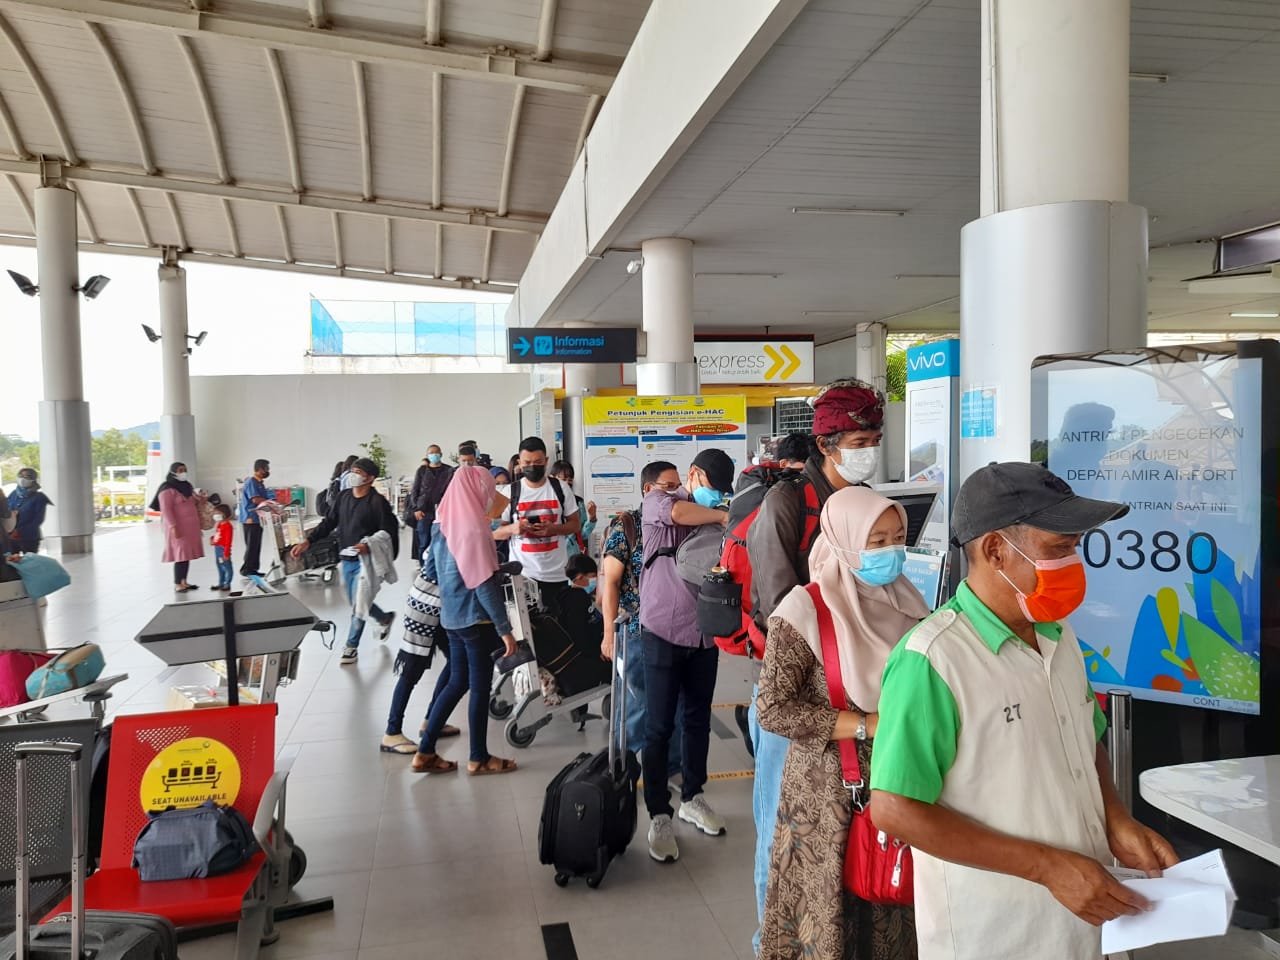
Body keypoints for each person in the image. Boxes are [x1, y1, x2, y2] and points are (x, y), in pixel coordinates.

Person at [870, 463, 1178, 960]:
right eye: (1059, 550)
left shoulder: (1060, 636)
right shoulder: (933, 660)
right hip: (999, 934)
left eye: (1075, 548)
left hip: (1088, 919)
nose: (1074, 563)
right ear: (996, 551)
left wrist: (1115, 819)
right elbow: (895, 809)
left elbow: (1084, 736)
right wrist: (1047, 868)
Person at [756, 486, 927, 960]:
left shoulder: (911, 604)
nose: (891, 552)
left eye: (897, 538)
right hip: (827, 798)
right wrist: (865, 724)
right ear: (845, 539)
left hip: (899, 782)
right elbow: (773, 708)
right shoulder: (804, 610)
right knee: (829, 916)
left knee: (891, 906)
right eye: (877, 541)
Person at [745, 380, 885, 946]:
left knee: (837, 833)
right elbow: (782, 609)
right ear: (826, 444)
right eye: (858, 439)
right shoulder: (786, 503)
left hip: (853, 696)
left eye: (875, 437)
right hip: (799, 696)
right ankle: (769, 941)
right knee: (781, 831)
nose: (869, 448)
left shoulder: (864, 497)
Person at [640, 451, 734, 864]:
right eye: (710, 483)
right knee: (658, 726)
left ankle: (692, 797)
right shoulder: (660, 500)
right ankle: (658, 812)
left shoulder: (721, 511)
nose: (716, 495)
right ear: (694, 475)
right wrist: (720, 516)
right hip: (662, 629)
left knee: (697, 720)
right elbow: (678, 512)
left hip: (703, 636)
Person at [414, 466, 519, 775]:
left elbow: (431, 570)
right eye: (487, 489)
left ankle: (425, 751)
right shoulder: (473, 530)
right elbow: (484, 585)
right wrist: (506, 631)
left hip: (452, 616)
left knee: (457, 681)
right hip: (477, 620)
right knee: (479, 687)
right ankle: (479, 757)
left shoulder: (441, 523)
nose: (490, 495)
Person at [598, 466, 683, 778]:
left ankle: (671, 768)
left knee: (672, 705)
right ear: (648, 490)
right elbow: (610, 583)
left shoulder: (677, 524)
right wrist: (609, 633)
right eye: (669, 486)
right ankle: (626, 769)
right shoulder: (627, 527)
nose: (677, 492)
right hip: (636, 633)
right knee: (639, 706)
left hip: (674, 631)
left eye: (679, 485)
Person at [291, 457, 399, 664]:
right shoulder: (343, 497)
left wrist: (368, 545)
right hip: (347, 558)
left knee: (359, 603)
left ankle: (351, 646)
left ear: (370, 478)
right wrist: (308, 541)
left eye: (358, 472)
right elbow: (329, 522)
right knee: (356, 601)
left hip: (366, 562)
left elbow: (388, 532)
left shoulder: (377, 503)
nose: (353, 475)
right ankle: (384, 618)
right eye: (352, 470)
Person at [493, 437, 580, 616]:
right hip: (522, 576)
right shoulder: (508, 492)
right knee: (526, 633)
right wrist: (513, 529)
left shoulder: (561, 488)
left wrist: (553, 529)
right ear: (519, 463)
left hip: (557, 574)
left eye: (538, 462)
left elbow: (575, 524)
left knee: (556, 632)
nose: (533, 466)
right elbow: (494, 534)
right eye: (527, 462)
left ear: (546, 461)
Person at [151, 462, 206, 593]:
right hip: (177, 527)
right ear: (173, 472)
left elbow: (192, 502)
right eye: (180, 470)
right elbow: (166, 509)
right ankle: (177, 583)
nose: (183, 472)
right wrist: (173, 526)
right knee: (180, 554)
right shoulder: (166, 489)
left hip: (190, 527)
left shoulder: (186, 486)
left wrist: (200, 498)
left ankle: (184, 581)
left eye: (185, 470)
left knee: (186, 554)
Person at [409, 444, 454, 561]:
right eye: (431, 453)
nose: (434, 455)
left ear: (441, 454)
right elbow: (415, 490)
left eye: (436, 452)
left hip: (443, 512)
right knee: (424, 542)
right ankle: (423, 568)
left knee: (441, 542)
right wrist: (416, 509)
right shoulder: (422, 471)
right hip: (424, 512)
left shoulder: (448, 470)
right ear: (427, 455)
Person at [551, 460, 597, 557]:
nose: (567, 483)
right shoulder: (546, 502)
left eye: (570, 479)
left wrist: (592, 517)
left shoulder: (578, 502)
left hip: (572, 557)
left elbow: (582, 534)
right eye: (563, 479)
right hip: (552, 557)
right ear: (552, 478)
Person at [239, 458, 272, 577]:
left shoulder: (260, 483)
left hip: (258, 518)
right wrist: (271, 503)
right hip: (250, 518)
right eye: (266, 468)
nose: (268, 471)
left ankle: (253, 569)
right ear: (260, 469)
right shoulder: (251, 482)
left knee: (256, 544)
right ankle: (247, 569)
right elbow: (255, 499)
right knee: (252, 544)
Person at [7, 467, 51, 555]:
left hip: (29, 537)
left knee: (30, 563)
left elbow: (38, 520)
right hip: (11, 537)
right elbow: (6, 512)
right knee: (11, 563)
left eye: (27, 477)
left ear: (33, 479)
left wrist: (19, 531)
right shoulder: (13, 494)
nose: (23, 479)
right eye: (21, 476)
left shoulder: (39, 497)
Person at [210, 503, 235, 592]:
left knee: (227, 567)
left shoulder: (228, 526)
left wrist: (226, 553)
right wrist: (213, 540)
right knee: (220, 567)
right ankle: (221, 583)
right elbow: (218, 535)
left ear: (223, 514)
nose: (214, 515)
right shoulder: (220, 524)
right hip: (217, 548)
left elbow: (228, 541)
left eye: (217, 513)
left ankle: (227, 583)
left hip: (223, 549)